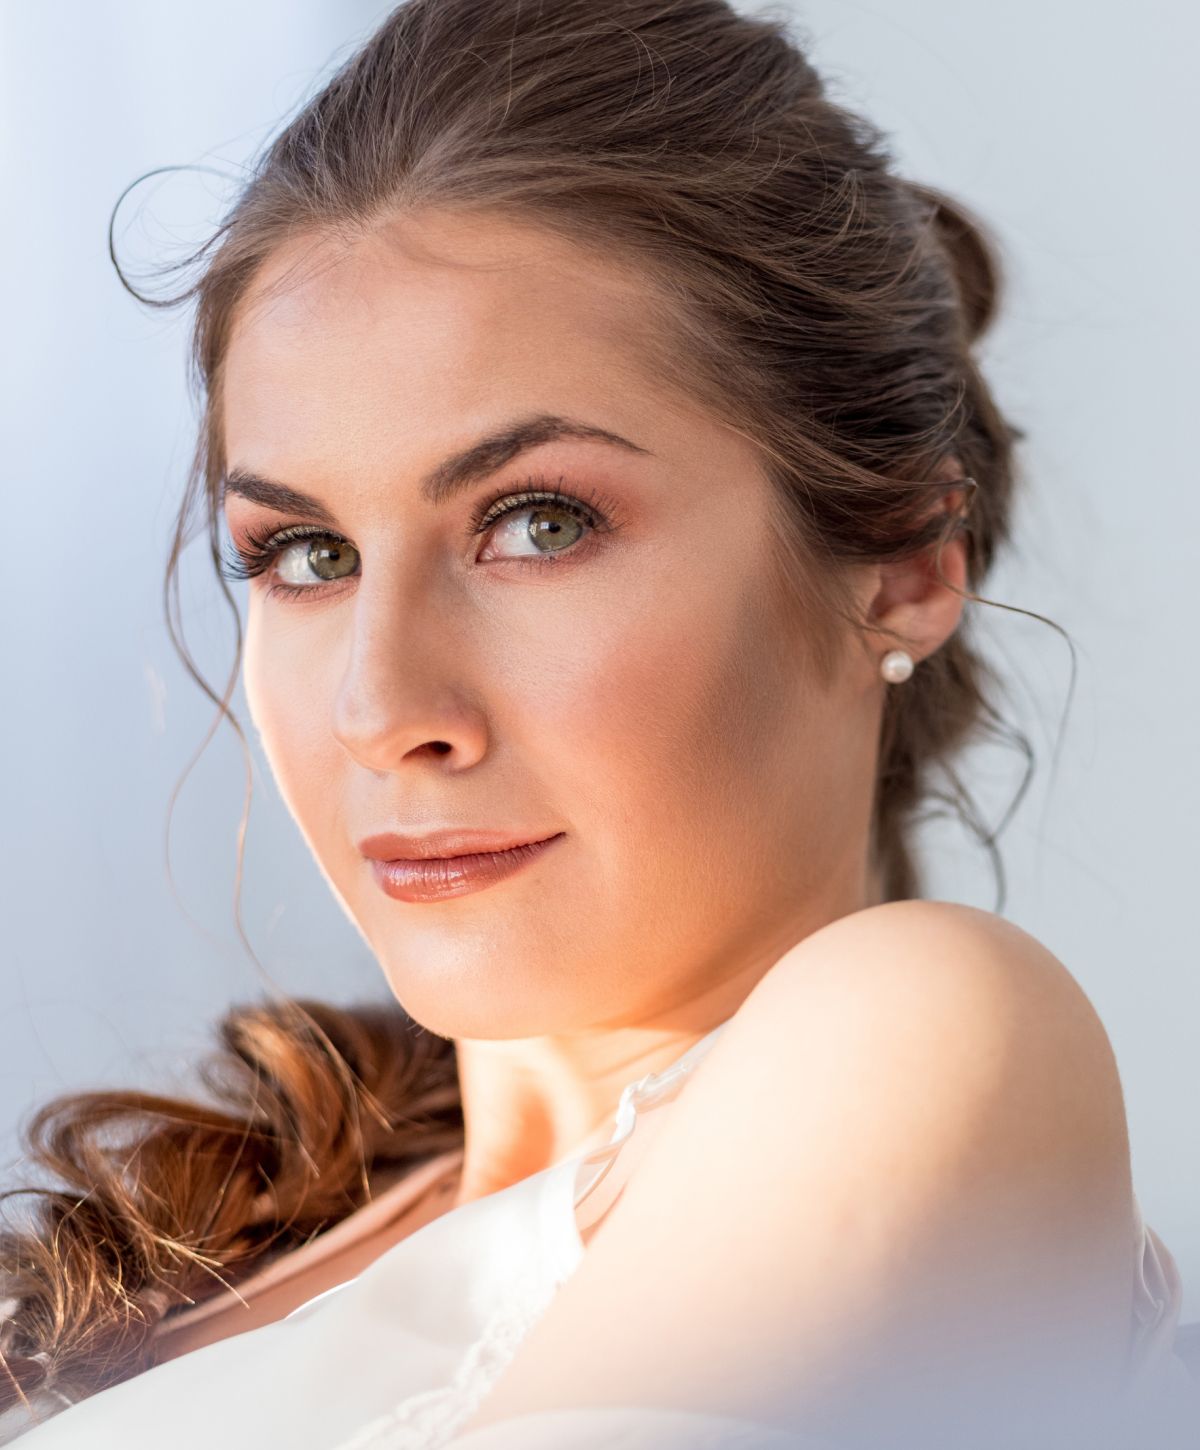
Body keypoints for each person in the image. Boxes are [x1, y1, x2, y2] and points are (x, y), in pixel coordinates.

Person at [1, 0, 1196, 1445]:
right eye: (307, 555)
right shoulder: (207, 1259)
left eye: (538, 522)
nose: (382, 709)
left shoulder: (933, 1025)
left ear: (905, 558)